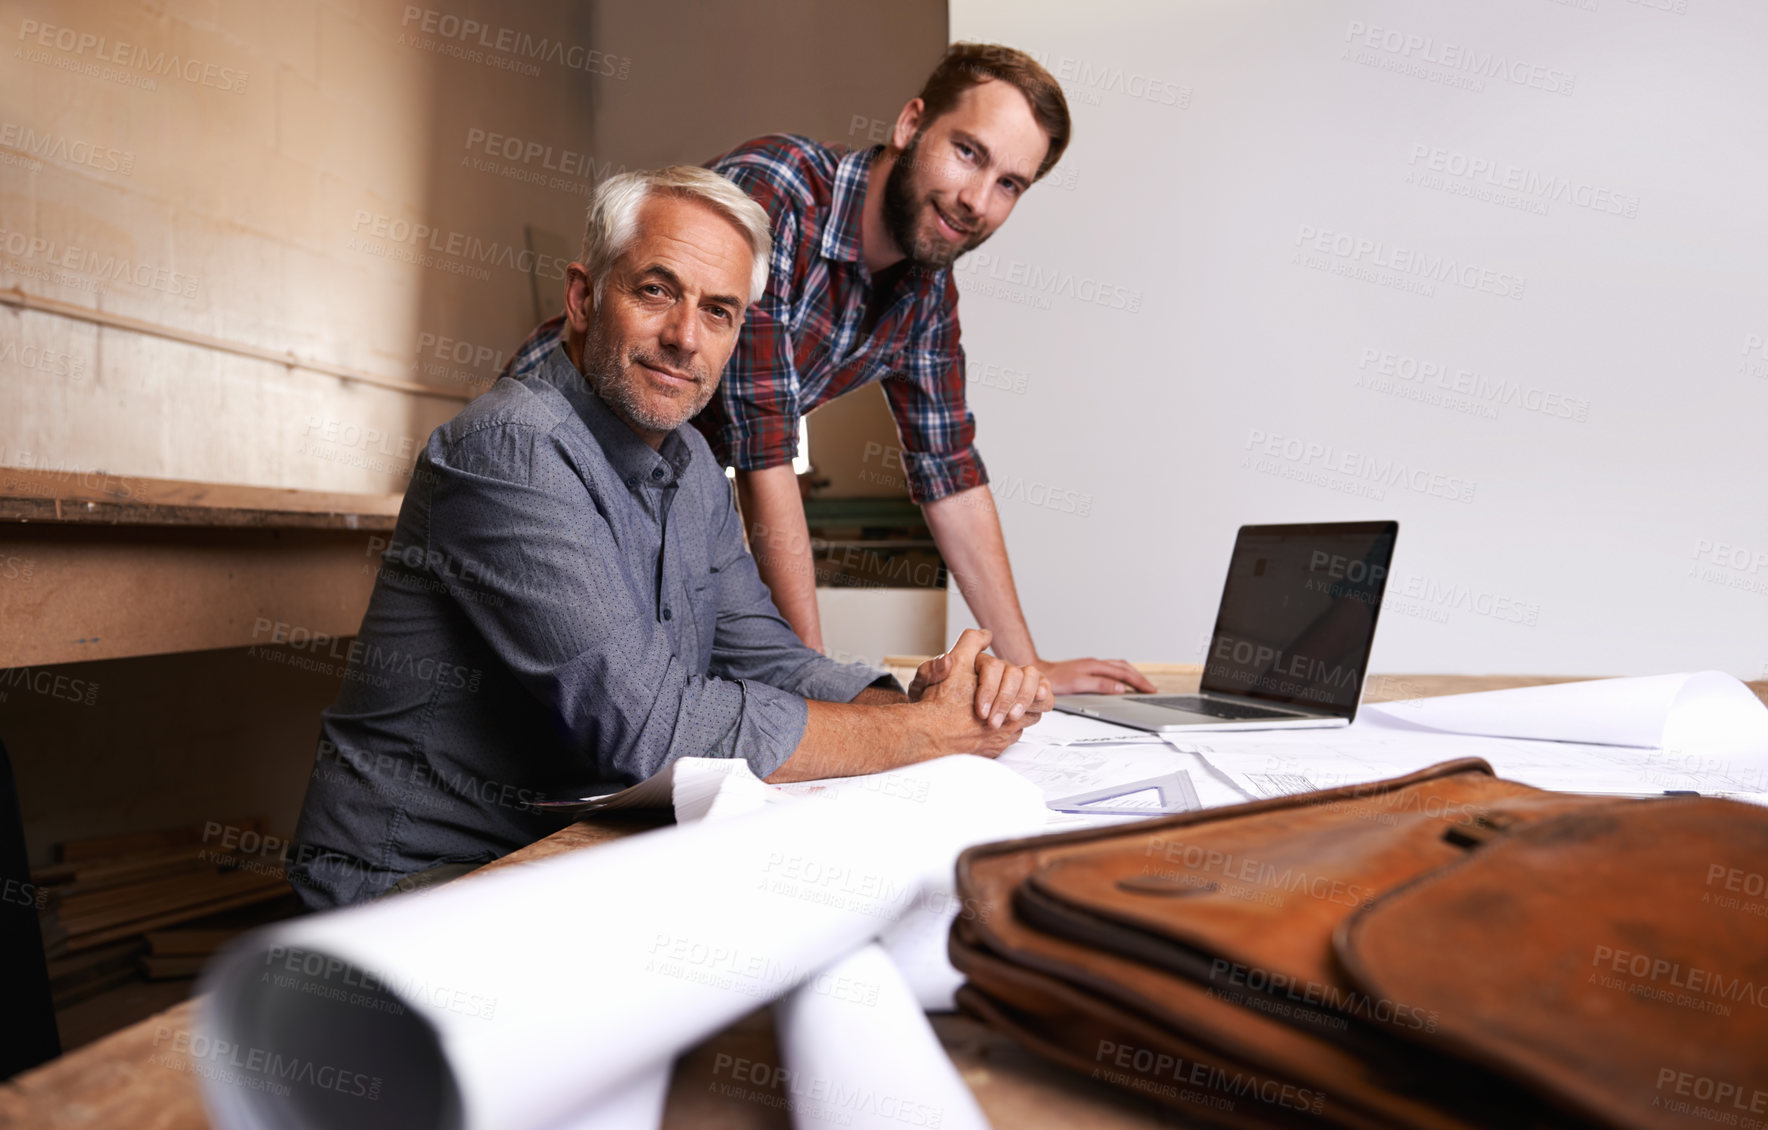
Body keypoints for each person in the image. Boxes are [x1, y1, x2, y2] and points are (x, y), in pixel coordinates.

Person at [287, 167, 1052, 910]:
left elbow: (768, 658)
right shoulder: (510, 451)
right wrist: (924, 735)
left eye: (718, 312)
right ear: (583, 298)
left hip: (566, 845)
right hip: (414, 883)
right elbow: (650, 728)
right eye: (657, 291)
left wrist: (915, 699)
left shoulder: (686, 463)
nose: (685, 336)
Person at [500, 43, 1155, 698]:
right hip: (563, 444)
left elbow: (950, 474)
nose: (977, 200)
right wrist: (814, 691)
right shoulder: (777, 193)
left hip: (666, 481)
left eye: (1009, 184)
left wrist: (1027, 671)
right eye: (968, 152)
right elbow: (766, 457)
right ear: (910, 125)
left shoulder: (926, 293)